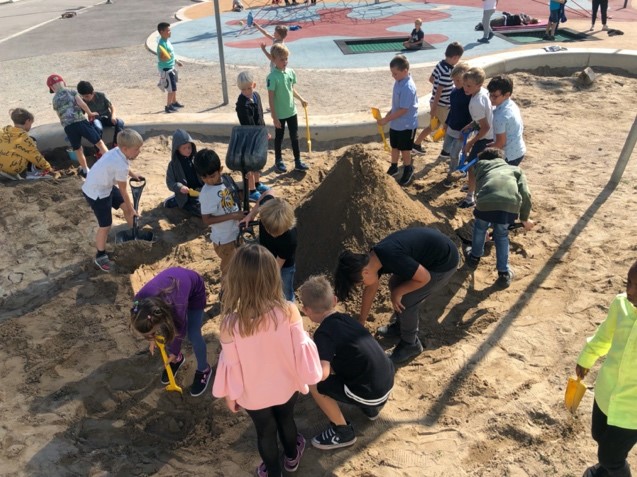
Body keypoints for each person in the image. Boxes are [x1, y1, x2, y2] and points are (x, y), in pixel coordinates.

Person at [212, 244, 322, 477]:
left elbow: (232, 367)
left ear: (236, 280)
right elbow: (300, 350)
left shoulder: (229, 326)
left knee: (265, 432)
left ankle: (274, 473)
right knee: (286, 421)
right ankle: (292, 457)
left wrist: (232, 396)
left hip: (254, 395)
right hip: (286, 385)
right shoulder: (289, 311)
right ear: (273, 277)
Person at [334, 227, 459, 364]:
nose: (363, 285)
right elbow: (370, 289)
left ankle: (411, 344)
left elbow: (425, 277)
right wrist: (361, 322)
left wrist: (398, 293)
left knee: (406, 299)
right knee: (395, 282)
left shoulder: (391, 256)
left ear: (365, 273)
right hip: (428, 257)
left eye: (361, 283)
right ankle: (401, 326)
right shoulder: (373, 259)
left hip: (444, 263)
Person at [299, 275, 395, 450]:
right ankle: (370, 408)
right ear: (334, 300)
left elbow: (322, 374)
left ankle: (342, 431)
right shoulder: (347, 320)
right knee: (348, 359)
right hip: (386, 380)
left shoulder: (324, 334)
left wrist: (303, 364)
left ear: (306, 310)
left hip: (371, 392)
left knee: (313, 382)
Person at [576, 260, 637, 477]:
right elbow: (604, 336)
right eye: (628, 282)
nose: (630, 291)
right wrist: (586, 358)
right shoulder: (620, 305)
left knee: (611, 455)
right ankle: (606, 471)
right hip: (606, 393)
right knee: (599, 435)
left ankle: (614, 469)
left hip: (632, 410)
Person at [130, 267, 212, 397]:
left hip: (194, 290)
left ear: (159, 318)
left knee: (193, 334)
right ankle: (177, 360)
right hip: (172, 288)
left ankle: (204, 369)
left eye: (153, 330)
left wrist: (173, 351)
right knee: (168, 335)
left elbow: (179, 331)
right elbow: (148, 323)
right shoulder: (139, 304)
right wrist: (152, 338)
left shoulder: (176, 306)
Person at [463, 148, 534, 287]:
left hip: (485, 203)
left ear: (484, 160)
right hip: (510, 205)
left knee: (479, 228)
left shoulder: (480, 167)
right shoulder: (515, 170)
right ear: (502, 159)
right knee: (502, 235)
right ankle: (503, 273)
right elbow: (525, 194)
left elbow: (481, 191)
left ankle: (474, 257)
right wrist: (525, 218)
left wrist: (487, 224)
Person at [81, 129, 144, 272]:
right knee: (106, 225)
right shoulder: (120, 164)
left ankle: (135, 236)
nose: (139, 152)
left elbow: (124, 166)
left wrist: (133, 174)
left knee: (127, 209)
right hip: (96, 193)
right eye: (136, 149)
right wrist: (132, 209)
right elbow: (123, 190)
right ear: (125, 148)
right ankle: (100, 255)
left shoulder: (118, 151)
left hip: (105, 185)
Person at [194, 148, 244, 281]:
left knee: (238, 267)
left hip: (235, 233)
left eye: (212, 176)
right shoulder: (207, 194)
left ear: (220, 170)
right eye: (204, 177)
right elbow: (207, 219)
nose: (209, 180)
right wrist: (233, 216)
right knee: (229, 273)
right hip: (224, 240)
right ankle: (226, 297)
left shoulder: (227, 180)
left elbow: (235, 195)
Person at [47, 74, 108, 178]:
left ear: (52, 88)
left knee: (78, 149)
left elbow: (59, 114)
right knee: (98, 142)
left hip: (69, 127)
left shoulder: (54, 100)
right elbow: (82, 104)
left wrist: (65, 123)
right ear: (64, 83)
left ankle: (85, 169)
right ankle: (111, 160)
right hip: (80, 121)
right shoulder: (72, 92)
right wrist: (89, 113)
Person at [412, 42, 464, 157]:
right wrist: (434, 107)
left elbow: (431, 79)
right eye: (458, 59)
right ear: (455, 57)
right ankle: (446, 151)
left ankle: (416, 144)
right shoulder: (448, 72)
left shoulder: (441, 64)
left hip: (435, 102)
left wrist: (438, 88)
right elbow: (440, 91)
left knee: (433, 126)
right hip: (442, 105)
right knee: (449, 127)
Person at [243, 194, 298, 301]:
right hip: (267, 254)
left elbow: (277, 266)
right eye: (268, 230)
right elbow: (264, 197)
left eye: (277, 233)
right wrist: (251, 215)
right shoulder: (268, 209)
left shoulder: (290, 240)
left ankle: (289, 307)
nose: (272, 234)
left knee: (285, 290)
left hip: (284, 265)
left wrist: (265, 278)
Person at [266, 43, 310, 173]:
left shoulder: (290, 72)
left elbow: (291, 89)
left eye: (286, 58)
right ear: (273, 60)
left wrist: (301, 99)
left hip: (292, 112)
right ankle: (278, 160)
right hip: (280, 114)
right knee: (279, 138)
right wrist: (274, 117)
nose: (285, 61)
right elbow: (271, 98)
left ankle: (297, 161)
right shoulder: (272, 77)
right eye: (281, 59)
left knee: (294, 137)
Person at [377, 55, 418, 187]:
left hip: (406, 125)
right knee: (394, 146)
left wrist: (386, 120)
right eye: (392, 73)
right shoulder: (398, 81)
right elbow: (396, 106)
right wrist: (387, 116)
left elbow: (403, 110)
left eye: (395, 73)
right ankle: (394, 166)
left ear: (405, 71)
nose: (393, 76)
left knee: (405, 150)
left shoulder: (408, 87)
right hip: (396, 123)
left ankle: (408, 168)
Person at [458, 66, 494, 208]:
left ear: (479, 85)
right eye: (464, 84)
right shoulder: (483, 93)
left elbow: (485, 127)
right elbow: (482, 120)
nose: (465, 88)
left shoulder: (476, 102)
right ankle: (471, 186)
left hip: (485, 137)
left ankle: (470, 197)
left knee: (472, 166)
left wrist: (471, 143)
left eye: (469, 86)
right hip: (486, 133)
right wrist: (471, 125)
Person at [236, 71, 270, 202]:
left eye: (249, 88)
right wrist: (257, 136)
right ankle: (251, 190)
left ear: (253, 85)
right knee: (250, 164)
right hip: (249, 138)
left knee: (258, 163)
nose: (246, 91)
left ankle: (257, 183)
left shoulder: (256, 96)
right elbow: (248, 125)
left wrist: (264, 131)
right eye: (243, 89)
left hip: (259, 134)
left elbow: (260, 116)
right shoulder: (242, 104)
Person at [440, 62, 472, 188]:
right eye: (454, 81)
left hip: (462, 130)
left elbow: (472, 117)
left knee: (454, 153)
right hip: (452, 126)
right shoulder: (454, 93)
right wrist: (447, 123)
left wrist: (465, 133)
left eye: (458, 81)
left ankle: (452, 174)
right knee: (446, 148)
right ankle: (460, 162)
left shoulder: (469, 96)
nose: (455, 84)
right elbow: (452, 110)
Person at [0, 108, 53, 180]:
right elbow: (35, 156)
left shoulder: (3, 130)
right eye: (31, 123)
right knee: (31, 144)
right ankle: (31, 173)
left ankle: (6, 171)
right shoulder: (23, 138)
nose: (30, 127)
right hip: (12, 168)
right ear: (27, 121)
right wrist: (48, 167)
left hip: (1, 165)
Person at [486, 75, 526, 166]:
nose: (491, 99)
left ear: (507, 94)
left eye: (495, 96)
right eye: (490, 94)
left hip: (509, 156)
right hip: (518, 149)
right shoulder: (511, 104)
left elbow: (501, 143)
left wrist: (485, 153)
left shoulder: (500, 116)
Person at [165, 129, 203, 216]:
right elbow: (170, 182)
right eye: (184, 148)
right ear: (177, 149)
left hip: (199, 191)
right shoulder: (173, 165)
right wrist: (180, 187)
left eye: (189, 147)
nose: (188, 150)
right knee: (200, 211)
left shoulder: (196, 159)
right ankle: (175, 200)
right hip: (185, 195)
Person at [76, 81, 125, 146]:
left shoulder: (102, 95)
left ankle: (116, 144)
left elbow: (112, 107)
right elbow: (81, 114)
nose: (85, 98)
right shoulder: (82, 101)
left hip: (107, 118)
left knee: (120, 122)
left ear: (92, 93)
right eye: (83, 96)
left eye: (87, 96)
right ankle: (99, 149)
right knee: (97, 127)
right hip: (96, 120)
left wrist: (113, 116)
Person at [157, 22, 184, 114]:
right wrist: (167, 56)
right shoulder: (161, 44)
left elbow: (171, 54)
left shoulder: (167, 41)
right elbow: (162, 57)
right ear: (162, 31)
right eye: (168, 30)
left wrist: (176, 61)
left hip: (171, 67)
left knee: (174, 86)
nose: (170, 32)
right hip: (166, 69)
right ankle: (168, 106)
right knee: (171, 88)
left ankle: (174, 102)